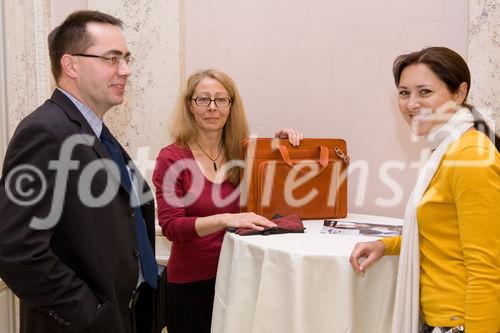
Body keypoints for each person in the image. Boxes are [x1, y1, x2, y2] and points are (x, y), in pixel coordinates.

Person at [0, 10, 158, 333]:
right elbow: (14, 248)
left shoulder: (96, 131)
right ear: (71, 65)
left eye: (126, 58)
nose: (126, 70)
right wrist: (88, 313)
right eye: (112, 58)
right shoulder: (45, 132)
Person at [349, 47, 500, 333]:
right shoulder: (447, 149)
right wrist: (386, 245)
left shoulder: (470, 157)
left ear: (460, 93)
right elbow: (440, 233)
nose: (411, 104)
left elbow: (487, 270)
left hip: (461, 323)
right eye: (404, 93)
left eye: (425, 92)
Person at [152, 68, 302, 333]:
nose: (212, 107)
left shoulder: (246, 153)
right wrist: (226, 219)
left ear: (231, 106)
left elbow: (278, 202)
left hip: (242, 278)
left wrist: (283, 149)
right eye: (203, 99)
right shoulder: (172, 158)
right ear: (190, 105)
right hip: (191, 285)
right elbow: (172, 228)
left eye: (221, 99)